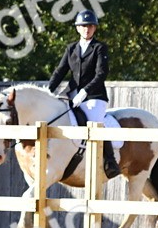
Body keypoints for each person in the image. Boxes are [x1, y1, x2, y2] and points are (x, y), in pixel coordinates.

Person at [47, 9, 119, 179]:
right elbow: (60, 71)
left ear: (94, 29)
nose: (87, 29)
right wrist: (48, 91)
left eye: (90, 26)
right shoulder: (71, 48)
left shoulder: (99, 48)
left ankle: (110, 161)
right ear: (78, 28)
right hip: (71, 94)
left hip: (94, 96)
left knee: (94, 124)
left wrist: (85, 91)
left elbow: (101, 74)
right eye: (83, 26)